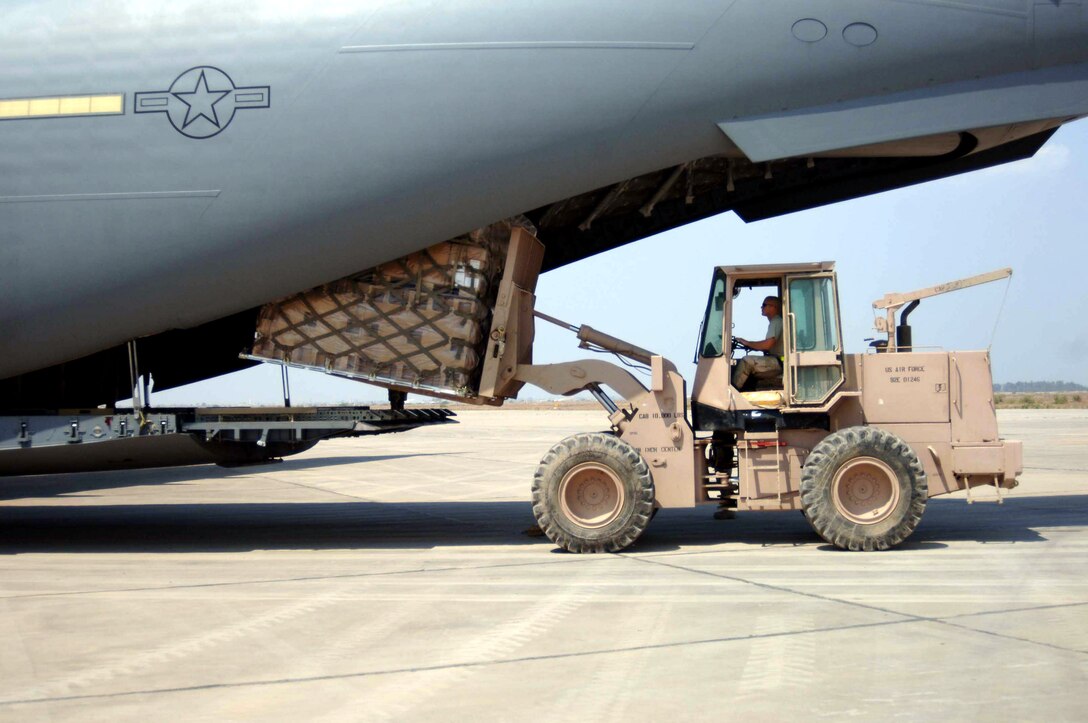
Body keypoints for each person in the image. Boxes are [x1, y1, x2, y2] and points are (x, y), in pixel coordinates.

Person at [732, 296, 783, 390]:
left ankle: (732, 392)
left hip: (779, 362)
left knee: (746, 361)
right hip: (777, 361)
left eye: (764, 305)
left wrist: (747, 343)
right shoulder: (776, 322)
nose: (761, 307)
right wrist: (748, 344)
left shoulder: (776, 321)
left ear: (773, 307)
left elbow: (768, 345)